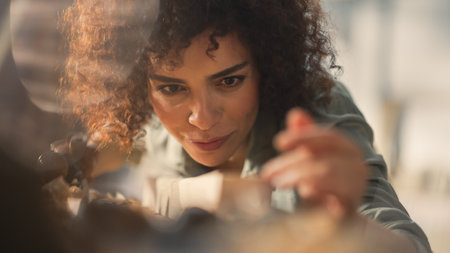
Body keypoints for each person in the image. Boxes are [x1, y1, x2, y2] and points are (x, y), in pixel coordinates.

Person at [59, 0, 432, 252]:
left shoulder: (316, 110)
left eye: (229, 81)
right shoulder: (145, 120)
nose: (201, 118)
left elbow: (405, 242)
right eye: (172, 88)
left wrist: (350, 227)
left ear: (267, 67)